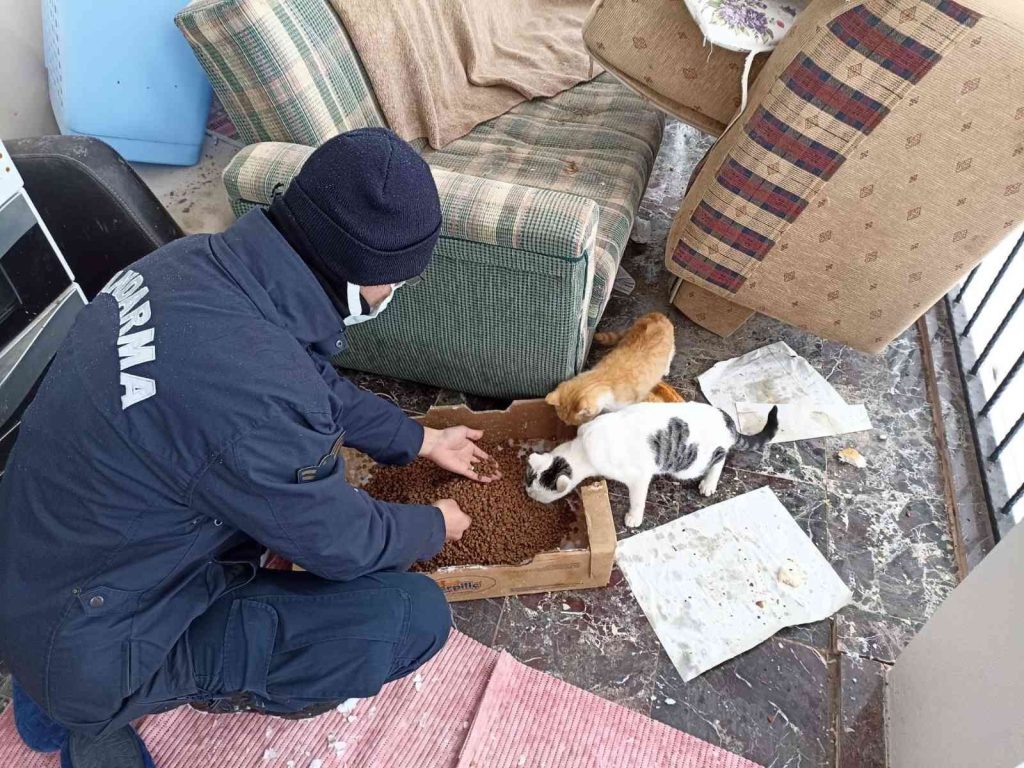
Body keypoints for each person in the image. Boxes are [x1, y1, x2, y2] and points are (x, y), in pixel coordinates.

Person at [0, 128, 492, 768]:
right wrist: (434, 524)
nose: (390, 298)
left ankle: (47, 703)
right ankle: (93, 710)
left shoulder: (189, 266)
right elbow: (341, 543)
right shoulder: (256, 398)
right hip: (90, 648)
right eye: (393, 283)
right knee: (409, 616)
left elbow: (304, 380)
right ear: (359, 277)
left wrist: (419, 438)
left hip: (33, 572)